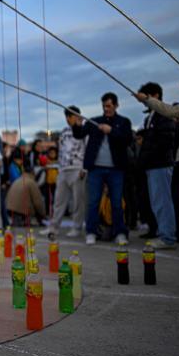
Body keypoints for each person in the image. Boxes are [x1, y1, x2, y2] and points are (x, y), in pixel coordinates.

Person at [73, 92, 132, 245]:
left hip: (116, 169)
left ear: (116, 105)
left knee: (117, 202)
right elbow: (79, 135)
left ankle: (120, 233)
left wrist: (111, 130)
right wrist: (77, 125)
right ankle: (91, 232)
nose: (106, 109)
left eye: (109, 106)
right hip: (95, 169)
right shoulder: (94, 122)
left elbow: (127, 139)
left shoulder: (124, 122)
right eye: (104, 106)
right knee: (93, 202)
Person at [133, 82, 179, 249]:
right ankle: (164, 233)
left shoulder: (163, 114)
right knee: (157, 201)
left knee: (162, 201)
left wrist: (147, 145)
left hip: (160, 163)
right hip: (152, 165)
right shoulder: (150, 117)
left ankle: (167, 236)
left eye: (146, 97)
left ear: (155, 96)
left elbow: (165, 140)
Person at [40, 106, 87, 238]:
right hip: (63, 169)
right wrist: (60, 168)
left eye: (70, 116)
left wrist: (84, 168)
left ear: (77, 116)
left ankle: (77, 227)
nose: (68, 119)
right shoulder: (64, 131)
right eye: (67, 116)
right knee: (59, 200)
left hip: (78, 168)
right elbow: (61, 151)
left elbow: (88, 148)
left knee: (78, 201)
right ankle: (54, 227)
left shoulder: (84, 130)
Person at [6, 159, 45, 227]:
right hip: (21, 210)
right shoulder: (31, 182)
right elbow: (38, 202)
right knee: (35, 205)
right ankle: (25, 220)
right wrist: (42, 214)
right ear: (32, 173)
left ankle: (18, 220)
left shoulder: (18, 180)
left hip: (9, 208)